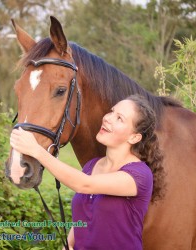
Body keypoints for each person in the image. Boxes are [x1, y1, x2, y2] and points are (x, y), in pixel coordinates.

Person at [10, 95, 165, 250]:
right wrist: (69, 245)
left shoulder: (139, 175)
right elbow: (83, 215)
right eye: (111, 112)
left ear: (134, 137)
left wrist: (37, 151)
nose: (108, 118)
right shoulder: (91, 166)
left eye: (119, 118)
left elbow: (84, 185)